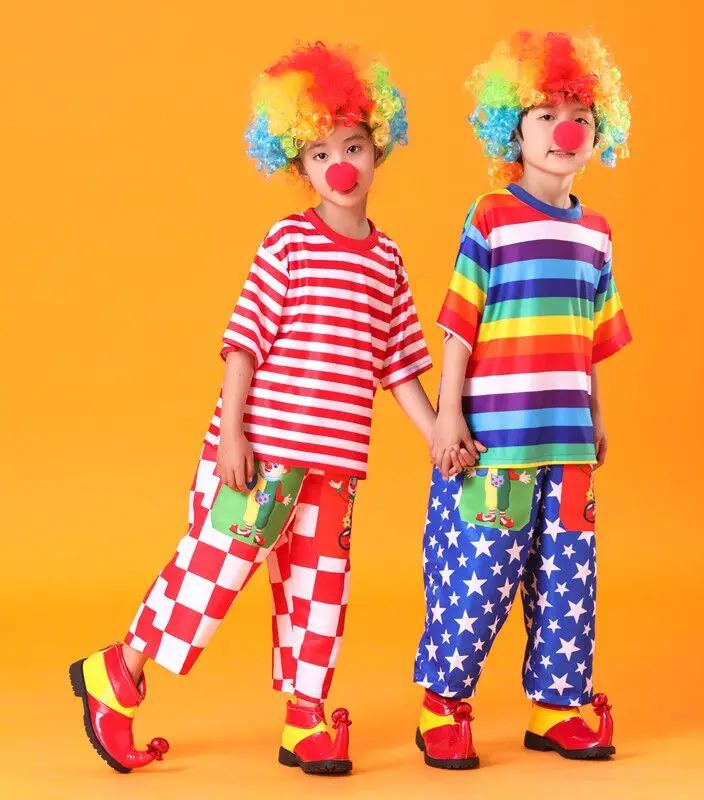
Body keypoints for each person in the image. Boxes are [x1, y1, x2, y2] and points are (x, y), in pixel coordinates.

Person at [70, 41, 439, 777]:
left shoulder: (388, 259)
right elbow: (243, 343)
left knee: (320, 592)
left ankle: (306, 719)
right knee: (212, 571)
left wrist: (437, 435)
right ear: (297, 167)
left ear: (379, 150)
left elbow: (398, 362)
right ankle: (117, 673)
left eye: (355, 146)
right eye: (321, 154)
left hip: (333, 466)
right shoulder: (289, 242)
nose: (341, 165)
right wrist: (232, 433)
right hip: (262, 455)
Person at [413, 30, 633, 769]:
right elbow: (456, 325)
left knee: (569, 582)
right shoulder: (490, 217)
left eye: (580, 115)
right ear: (514, 130)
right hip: (496, 447)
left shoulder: (597, 235)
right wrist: (447, 415)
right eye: (546, 114)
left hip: (568, 447)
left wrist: (597, 416)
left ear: (599, 133)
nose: (566, 129)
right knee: (477, 575)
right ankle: (443, 703)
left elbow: (593, 340)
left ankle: (557, 708)